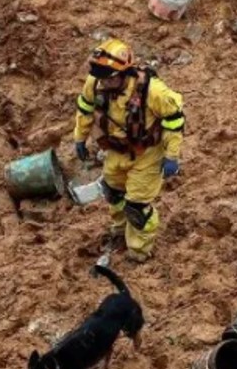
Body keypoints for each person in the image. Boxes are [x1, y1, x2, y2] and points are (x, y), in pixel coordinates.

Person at [73, 38, 185, 263]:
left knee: (137, 206)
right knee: (114, 194)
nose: (102, 83)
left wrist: (171, 156)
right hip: (116, 151)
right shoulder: (95, 82)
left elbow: (174, 121)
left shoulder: (153, 92)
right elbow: (85, 108)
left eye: (108, 77)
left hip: (146, 155)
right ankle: (119, 231)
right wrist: (80, 137)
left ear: (123, 72)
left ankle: (139, 250)